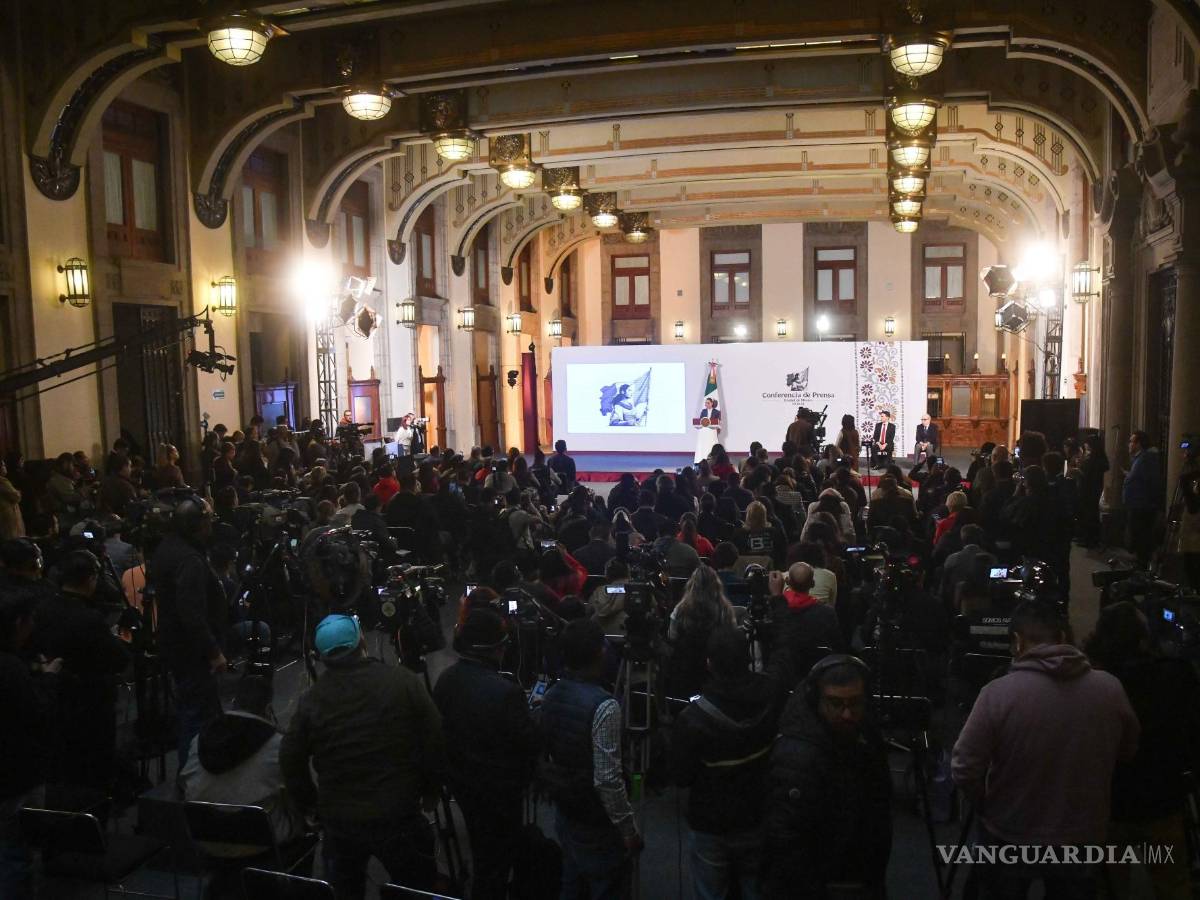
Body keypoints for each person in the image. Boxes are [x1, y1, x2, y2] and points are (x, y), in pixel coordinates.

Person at [952, 602, 1139, 897]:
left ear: (1017, 642)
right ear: (1065, 636)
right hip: (1082, 835)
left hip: (1010, 831)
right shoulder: (1110, 689)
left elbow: (964, 766)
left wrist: (986, 803)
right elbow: (1127, 752)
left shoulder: (998, 693)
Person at [281, 615, 445, 898]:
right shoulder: (402, 681)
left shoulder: (311, 701)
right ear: (361, 641)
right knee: (416, 886)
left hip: (340, 820)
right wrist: (431, 789)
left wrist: (312, 806)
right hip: (399, 811)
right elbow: (435, 739)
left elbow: (290, 759)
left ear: (321, 656)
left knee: (345, 890)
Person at [1084, 602, 1200, 898]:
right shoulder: (1175, 676)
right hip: (1163, 801)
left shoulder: (1091, 685)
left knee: (1108, 886)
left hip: (1109, 804)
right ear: (1143, 639)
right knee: (1173, 885)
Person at [671, 627, 796, 900]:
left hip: (710, 824)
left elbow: (682, 777)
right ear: (748, 659)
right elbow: (783, 658)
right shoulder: (770, 696)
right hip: (756, 814)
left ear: (709, 664)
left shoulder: (692, 719)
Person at [764, 655, 892, 898]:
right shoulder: (797, 757)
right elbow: (785, 841)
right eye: (835, 704)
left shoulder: (865, 734)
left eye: (854, 703)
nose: (846, 714)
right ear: (815, 700)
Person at [434, 608, 539, 900]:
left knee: (484, 852)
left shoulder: (446, 680)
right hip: (500, 791)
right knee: (495, 862)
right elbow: (527, 743)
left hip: (462, 783)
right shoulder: (506, 693)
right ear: (493, 648)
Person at [541, 618, 642, 899]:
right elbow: (608, 779)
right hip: (598, 821)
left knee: (572, 880)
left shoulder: (550, 695)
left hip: (567, 811)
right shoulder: (605, 707)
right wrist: (628, 830)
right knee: (607, 885)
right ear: (600, 652)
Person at [30, 549, 130, 789]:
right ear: (91, 579)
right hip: (90, 703)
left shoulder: (42, 609)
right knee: (93, 773)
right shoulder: (89, 619)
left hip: (55, 698)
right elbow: (119, 660)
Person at [180, 675, 305, 855]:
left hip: (204, 841)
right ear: (268, 709)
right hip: (261, 843)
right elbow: (300, 789)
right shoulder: (279, 745)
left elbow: (183, 783)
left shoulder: (198, 740)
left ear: (233, 702)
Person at [150, 496, 228, 772]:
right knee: (195, 715)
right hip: (191, 649)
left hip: (176, 643)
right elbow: (191, 612)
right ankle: (192, 777)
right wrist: (214, 651)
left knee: (194, 709)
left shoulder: (167, 548)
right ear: (199, 524)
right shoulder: (189, 559)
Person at [0, 590, 61, 900]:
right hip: (16, 775)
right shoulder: (11, 669)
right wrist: (48, 680)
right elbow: (37, 713)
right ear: (19, 623)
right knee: (17, 855)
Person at [667, 565, 738, 699]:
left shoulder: (680, 609)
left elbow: (672, 635)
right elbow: (731, 636)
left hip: (687, 668)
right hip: (716, 669)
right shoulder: (725, 609)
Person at [1123, 430, 1163, 568]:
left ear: (1139, 444)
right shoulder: (1140, 458)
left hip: (1142, 504)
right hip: (1138, 503)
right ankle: (1140, 561)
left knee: (1142, 535)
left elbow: (1149, 481)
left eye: (1131, 441)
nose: (1129, 444)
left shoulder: (1146, 459)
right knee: (1138, 534)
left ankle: (1142, 564)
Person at [1076, 433, 1110, 547]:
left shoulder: (1095, 458)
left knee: (1090, 514)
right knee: (1088, 513)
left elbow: (1088, 472)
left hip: (1090, 489)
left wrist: (1080, 470)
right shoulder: (1094, 456)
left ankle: (1090, 539)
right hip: (1090, 488)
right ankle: (1087, 537)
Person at [0, 459, 23, 540]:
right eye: (3, 465)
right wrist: (18, 492)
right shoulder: (2, 481)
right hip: (8, 513)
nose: (5, 467)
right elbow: (16, 496)